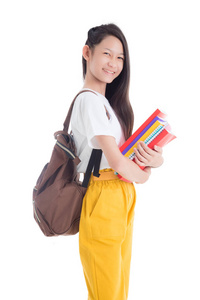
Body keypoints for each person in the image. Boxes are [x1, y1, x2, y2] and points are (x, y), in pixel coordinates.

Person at [71, 23, 163, 300]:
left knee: (116, 289)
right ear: (87, 52)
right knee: (107, 292)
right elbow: (119, 163)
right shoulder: (89, 101)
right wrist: (147, 174)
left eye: (120, 57)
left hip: (120, 194)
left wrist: (153, 160)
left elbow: (125, 161)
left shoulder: (106, 103)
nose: (114, 63)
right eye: (107, 54)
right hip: (104, 195)